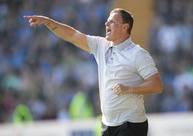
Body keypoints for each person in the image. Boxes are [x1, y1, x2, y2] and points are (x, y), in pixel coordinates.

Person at [24, 8, 163, 136]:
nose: (106, 24)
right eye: (107, 21)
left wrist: (128, 89)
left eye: (112, 22)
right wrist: (47, 21)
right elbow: (72, 35)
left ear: (124, 27)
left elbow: (157, 85)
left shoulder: (138, 54)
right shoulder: (101, 46)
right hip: (107, 125)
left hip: (131, 125)